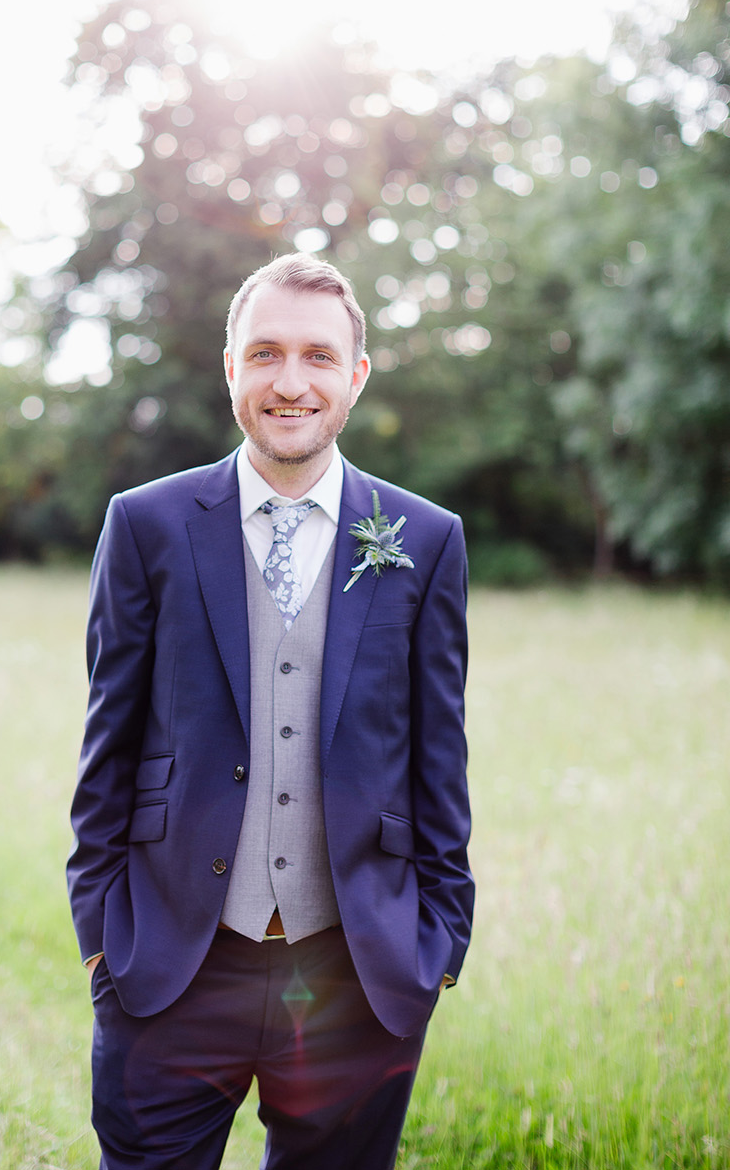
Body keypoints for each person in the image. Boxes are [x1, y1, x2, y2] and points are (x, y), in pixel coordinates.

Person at [67, 252, 473, 1170]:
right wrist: (103, 937)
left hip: (357, 974)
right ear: (231, 369)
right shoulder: (147, 524)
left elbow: (438, 757)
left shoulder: (426, 539)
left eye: (319, 358)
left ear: (356, 375)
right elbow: (109, 746)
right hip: (172, 964)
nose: (291, 383)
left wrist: (438, 944)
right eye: (266, 354)